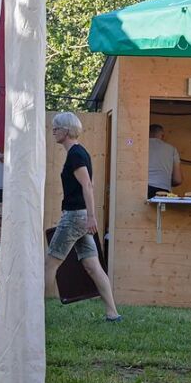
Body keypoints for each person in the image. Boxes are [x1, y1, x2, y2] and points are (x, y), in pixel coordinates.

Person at [45, 112, 121, 322]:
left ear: (67, 131)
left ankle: (35, 312)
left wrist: (91, 217)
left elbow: (87, 185)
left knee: (50, 263)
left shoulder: (76, 155)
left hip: (74, 218)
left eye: (57, 128)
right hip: (80, 219)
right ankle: (112, 313)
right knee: (92, 266)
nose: (53, 131)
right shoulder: (78, 153)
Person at [147, 123, 182, 199]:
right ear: (162, 136)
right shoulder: (172, 149)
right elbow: (178, 180)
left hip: (141, 189)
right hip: (163, 191)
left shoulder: (139, 147)